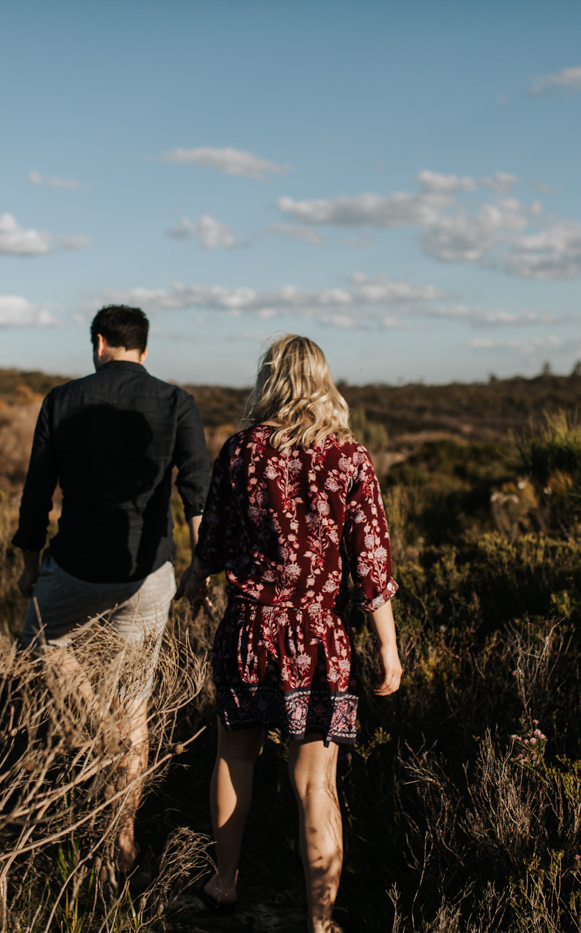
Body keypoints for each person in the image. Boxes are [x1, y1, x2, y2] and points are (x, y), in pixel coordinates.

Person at [178, 334, 402, 933]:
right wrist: (388, 646)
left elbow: (214, 540)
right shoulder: (351, 459)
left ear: (270, 379)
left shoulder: (241, 452)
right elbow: (371, 563)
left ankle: (224, 884)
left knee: (234, 757)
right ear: (323, 380)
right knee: (315, 782)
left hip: (249, 631)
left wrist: (195, 581)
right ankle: (319, 920)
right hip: (319, 639)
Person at [13, 304, 211, 877]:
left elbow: (36, 496)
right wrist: (199, 568)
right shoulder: (178, 403)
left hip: (74, 568)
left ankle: (99, 738)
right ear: (143, 349)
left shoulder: (61, 400)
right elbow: (195, 492)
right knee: (134, 705)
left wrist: (30, 565)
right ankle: (121, 840)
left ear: (99, 343)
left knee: (42, 648)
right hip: (147, 575)